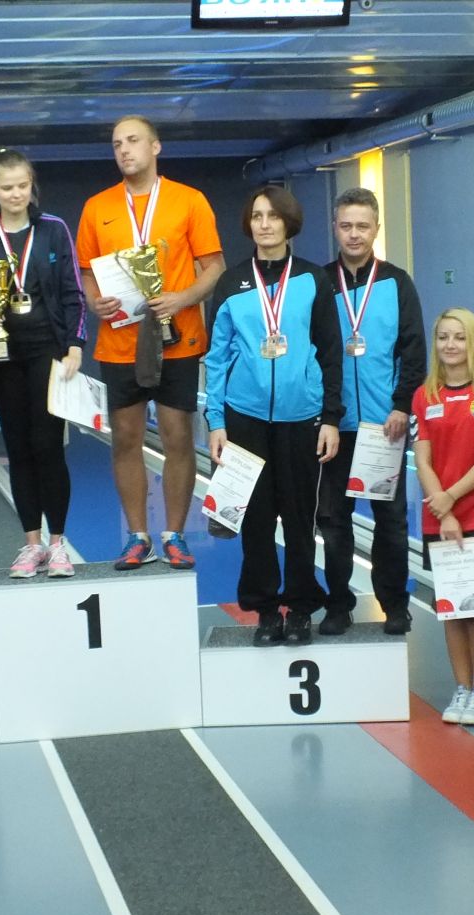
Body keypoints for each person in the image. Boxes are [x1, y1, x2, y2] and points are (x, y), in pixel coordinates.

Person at [78, 115, 226, 570]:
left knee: (178, 436)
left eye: (133, 140)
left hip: (177, 339)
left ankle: (174, 534)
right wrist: (95, 302)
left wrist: (182, 298)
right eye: (116, 144)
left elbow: (215, 267)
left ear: (155, 146)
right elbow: (86, 272)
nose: (124, 150)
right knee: (125, 438)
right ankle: (137, 536)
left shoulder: (189, 200)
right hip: (120, 341)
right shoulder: (97, 207)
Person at [204, 185, 342, 647]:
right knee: (256, 518)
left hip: (301, 417)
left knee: (300, 519)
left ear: (288, 223)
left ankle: (300, 608)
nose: (264, 224)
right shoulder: (231, 283)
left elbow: (330, 352)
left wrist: (329, 417)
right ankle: (265, 609)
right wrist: (216, 420)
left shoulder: (312, 279)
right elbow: (217, 357)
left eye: (273, 216)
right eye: (257, 216)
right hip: (244, 418)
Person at [0, 147, 87, 579]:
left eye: (22, 186)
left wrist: (74, 344)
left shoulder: (53, 229)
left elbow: (72, 290)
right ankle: (32, 543)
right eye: (7, 187)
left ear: (32, 185)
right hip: (3, 355)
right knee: (17, 448)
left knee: (48, 445)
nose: (16, 194)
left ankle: (58, 544)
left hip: (46, 351)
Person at [315, 187, 426, 637]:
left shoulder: (397, 283)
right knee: (333, 522)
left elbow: (414, 351)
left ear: (377, 228)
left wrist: (402, 405)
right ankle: (337, 606)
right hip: (334, 427)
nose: (354, 234)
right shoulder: (320, 283)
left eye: (363, 226)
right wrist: (324, 414)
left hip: (384, 427)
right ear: (335, 228)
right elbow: (312, 354)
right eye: (346, 226)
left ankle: (394, 605)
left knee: (391, 523)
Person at [413, 308, 474, 727]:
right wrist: (442, 507)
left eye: (459, 337)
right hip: (440, 515)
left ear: (473, 342)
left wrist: (451, 498)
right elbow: (422, 459)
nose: (450, 345)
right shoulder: (425, 395)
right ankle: (462, 687)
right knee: (452, 607)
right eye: (443, 337)